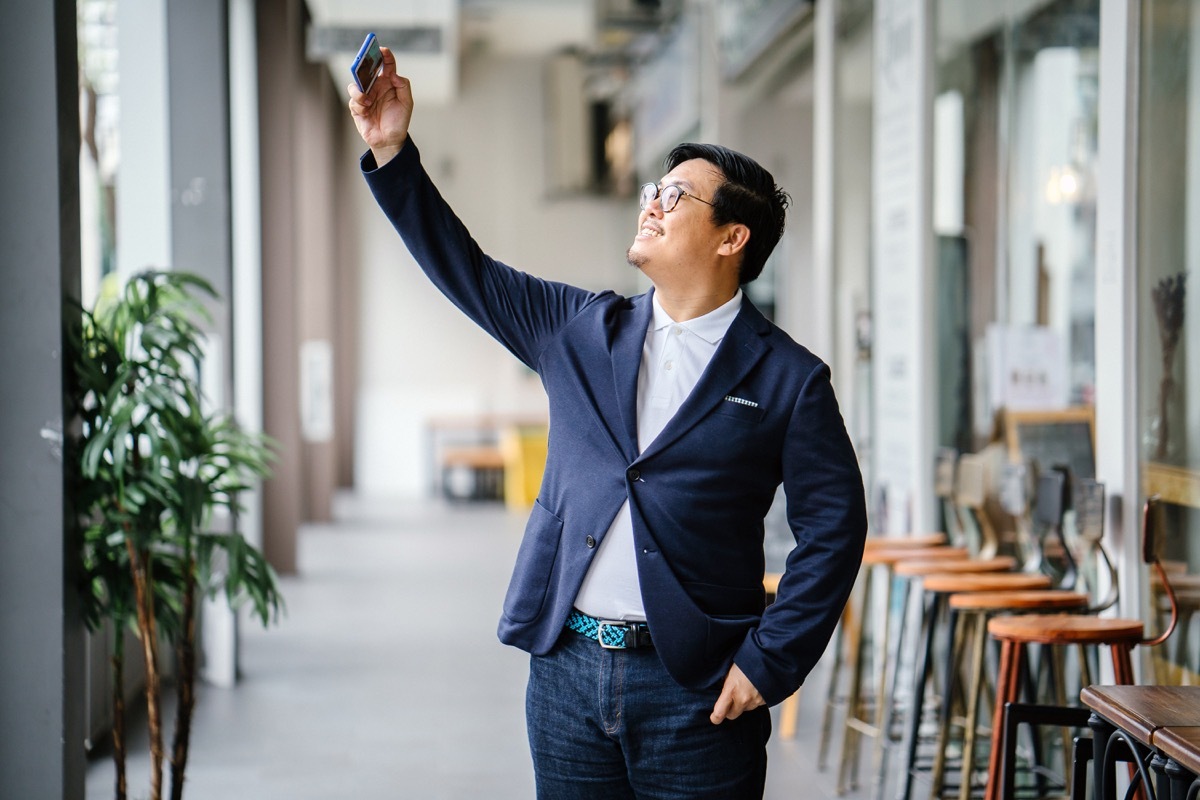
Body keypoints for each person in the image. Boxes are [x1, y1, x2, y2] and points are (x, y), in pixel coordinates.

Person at [348, 46, 868, 800]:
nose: (651, 202)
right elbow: (467, 268)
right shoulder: (580, 328)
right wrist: (391, 149)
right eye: (654, 188)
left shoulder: (789, 379)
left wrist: (770, 661)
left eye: (677, 196)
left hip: (697, 691)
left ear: (733, 239)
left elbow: (835, 527)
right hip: (565, 673)